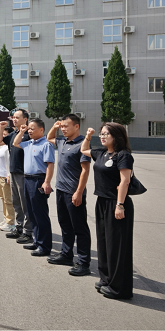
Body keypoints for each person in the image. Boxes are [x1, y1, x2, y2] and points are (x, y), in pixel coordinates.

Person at [81, 123, 134, 299]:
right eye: (101, 134)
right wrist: (88, 136)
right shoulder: (101, 153)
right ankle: (106, 279)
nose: (102, 137)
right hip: (102, 201)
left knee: (116, 246)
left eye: (106, 134)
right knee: (104, 243)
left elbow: (125, 181)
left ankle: (119, 288)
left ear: (116, 136)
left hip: (116, 203)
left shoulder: (123, 155)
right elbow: (83, 150)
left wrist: (120, 205)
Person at [46, 114, 92, 276]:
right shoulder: (62, 141)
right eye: (62, 126)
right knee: (65, 224)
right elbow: (49, 137)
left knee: (80, 228)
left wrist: (79, 192)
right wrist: (55, 126)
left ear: (76, 126)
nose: (63, 129)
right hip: (61, 190)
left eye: (66, 126)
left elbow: (85, 170)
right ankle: (66, 255)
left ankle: (84, 263)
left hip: (74, 192)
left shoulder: (82, 144)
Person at [12, 118, 55, 257]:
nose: (29, 131)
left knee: (40, 214)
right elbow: (15, 143)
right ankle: (37, 241)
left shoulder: (46, 144)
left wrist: (47, 182)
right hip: (27, 179)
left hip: (38, 180)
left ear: (41, 130)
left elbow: (50, 165)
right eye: (28, 128)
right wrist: (21, 131)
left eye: (32, 128)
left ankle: (44, 246)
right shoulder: (29, 143)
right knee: (31, 213)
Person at [0, 110, 33, 244]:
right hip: (13, 172)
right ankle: (19, 227)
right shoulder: (14, 133)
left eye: (17, 117)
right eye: (13, 117)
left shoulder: (29, 134)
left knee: (25, 203)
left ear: (25, 119)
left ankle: (28, 231)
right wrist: (1, 128)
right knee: (16, 202)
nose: (14, 119)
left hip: (24, 173)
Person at [0, 127, 15, 231]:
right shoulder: (2, 145)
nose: (3, 136)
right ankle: (5, 218)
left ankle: (10, 222)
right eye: (2, 135)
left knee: (8, 200)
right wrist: (1, 128)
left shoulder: (10, 146)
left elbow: (11, 162)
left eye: (5, 135)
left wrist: (9, 175)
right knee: (3, 198)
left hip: (5, 176)